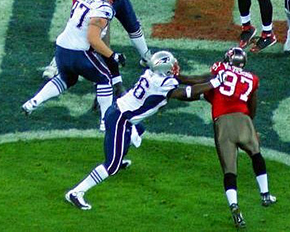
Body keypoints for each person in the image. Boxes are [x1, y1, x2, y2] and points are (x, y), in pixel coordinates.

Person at [64, 51, 214, 211]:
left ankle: (118, 155)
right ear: (164, 69)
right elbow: (186, 92)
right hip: (121, 119)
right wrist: (215, 84)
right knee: (111, 166)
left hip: (117, 112)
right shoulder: (164, 83)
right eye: (172, 65)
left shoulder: (152, 73)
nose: (175, 67)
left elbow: (188, 81)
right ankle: (76, 192)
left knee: (136, 131)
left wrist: (213, 77)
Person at [181, 47, 276, 229]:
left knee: (229, 169)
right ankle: (265, 194)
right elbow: (252, 104)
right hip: (244, 119)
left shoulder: (219, 73)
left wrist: (176, 79)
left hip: (223, 123)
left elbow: (196, 86)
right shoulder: (252, 79)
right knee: (256, 154)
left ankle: (234, 206)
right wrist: (250, 125)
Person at [22, 0, 124, 121]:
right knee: (105, 79)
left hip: (62, 48)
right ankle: (105, 121)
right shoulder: (103, 8)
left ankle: (33, 102)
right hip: (79, 51)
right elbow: (93, 39)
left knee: (66, 78)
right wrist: (114, 56)